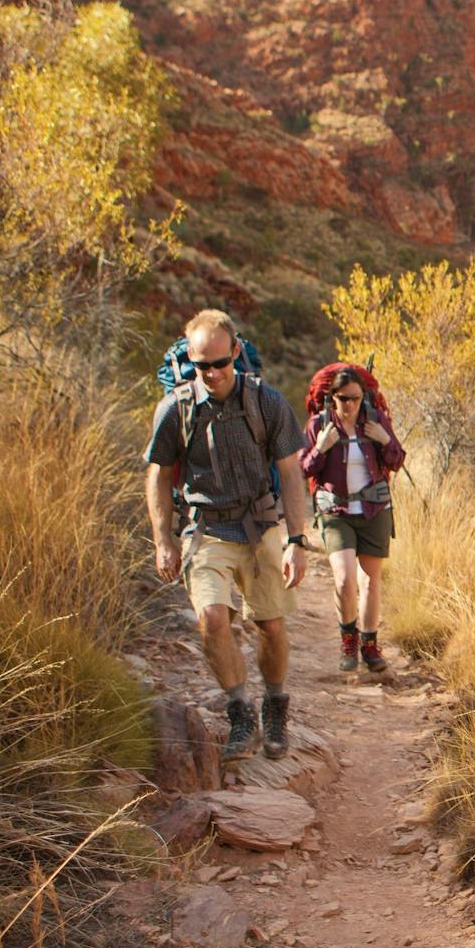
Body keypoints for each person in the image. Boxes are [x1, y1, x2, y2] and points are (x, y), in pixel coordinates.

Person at [144, 310, 313, 762]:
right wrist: (163, 540)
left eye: (220, 362)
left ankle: (275, 704)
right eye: (202, 366)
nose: (213, 374)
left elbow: (290, 474)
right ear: (190, 361)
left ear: (236, 352)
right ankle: (240, 709)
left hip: (260, 525)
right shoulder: (175, 409)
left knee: (270, 625)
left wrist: (296, 540)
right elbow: (159, 477)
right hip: (205, 527)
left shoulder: (267, 402)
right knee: (213, 619)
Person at [299, 364, 403, 673]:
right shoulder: (319, 425)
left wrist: (384, 439)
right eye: (343, 399)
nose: (350, 405)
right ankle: (348, 639)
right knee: (344, 579)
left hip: (374, 509)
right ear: (332, 398)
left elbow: (397, 460)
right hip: (336, 512)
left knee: (370, 582)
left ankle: (370, 646)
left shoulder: (374, 420)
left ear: (364, 398)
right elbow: (303, 469)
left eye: (356, 399)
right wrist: (321, 448)